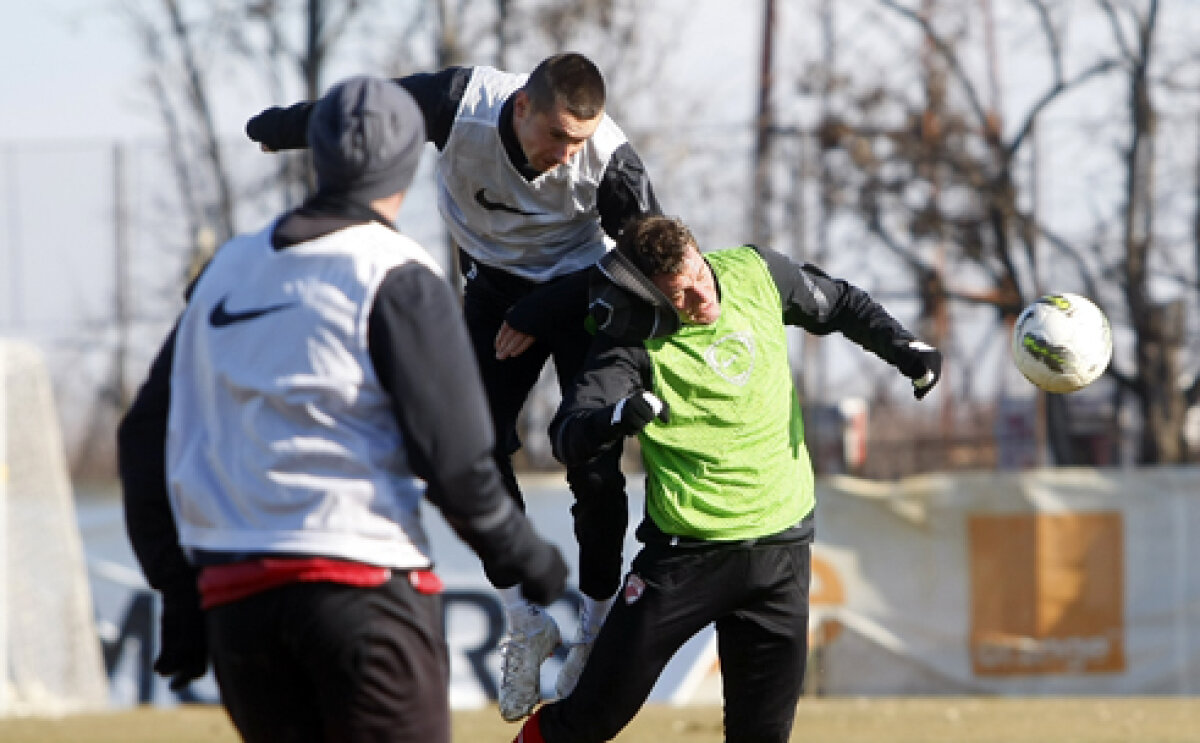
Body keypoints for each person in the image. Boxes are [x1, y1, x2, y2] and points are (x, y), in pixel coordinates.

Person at [118, 75, 568, 743]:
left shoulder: (227, 269)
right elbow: (455, 460)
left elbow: (141, 437)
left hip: (238, 604)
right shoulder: (396, 270)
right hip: (361, 593)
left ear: (318, 155)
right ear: (409, 163)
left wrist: (181, 595)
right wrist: (532, 561)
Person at [245, 52, 661, 719]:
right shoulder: (458, 102)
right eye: (556, 134)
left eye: (578, 139)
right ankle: (525, 620)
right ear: (522, 105)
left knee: (591, 459)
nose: (565, 152)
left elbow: (651, 269)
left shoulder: (611, 164)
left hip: (585, 292)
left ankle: (595, 627)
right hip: (495, 285)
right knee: (465, 448)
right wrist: (282, 126)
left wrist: (544, 308)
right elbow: (367, 112)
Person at [514, 215, 942, 743]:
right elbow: (568, 435)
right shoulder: (628, 337)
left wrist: (903, 347)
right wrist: (615, 418)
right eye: (680, 295)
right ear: (651, 294)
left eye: (698, 277)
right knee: (589, 720)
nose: (701, 300)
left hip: (781, 552)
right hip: (684, 559)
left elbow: (841, 304)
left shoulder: (755, 271)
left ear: (699, 250)